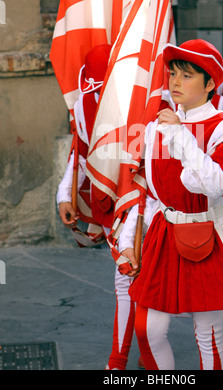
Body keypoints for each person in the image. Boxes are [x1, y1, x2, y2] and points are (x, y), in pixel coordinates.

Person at [118, 39, 223, 370]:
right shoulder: (155, 129)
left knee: (208, 333)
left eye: (187, 75)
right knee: (147, 329)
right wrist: (129, 241)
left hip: (207, 234)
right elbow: (149, 192)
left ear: (210, 84)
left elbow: (214, 184)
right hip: (163, 234)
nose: (175, 82)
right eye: (172, 73)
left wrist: (181, 136)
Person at [56, 44, 137, 370]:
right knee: (128, 278)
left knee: (134, 278)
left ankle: (128, 357)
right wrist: (66, 193)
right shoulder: (85, 104)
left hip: (140, 200)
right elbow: (80, 148)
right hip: (107, 201)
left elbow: (141, 158)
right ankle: (130, 357)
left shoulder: (139, 101)